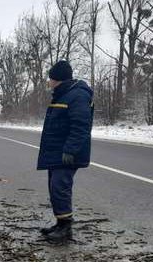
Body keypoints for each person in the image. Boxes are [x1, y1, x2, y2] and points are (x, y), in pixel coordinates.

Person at [37, 60, 94, 243]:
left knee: (60, 187)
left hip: (67, 153)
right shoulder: (62, 94)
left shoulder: (77, 95)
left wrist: (70, 150)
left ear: (58, 79)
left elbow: (81, 125)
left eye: (51, 79)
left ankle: (65, 230)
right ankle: (60, 223)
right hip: (56, 151)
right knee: (54, 187)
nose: (49, 82)